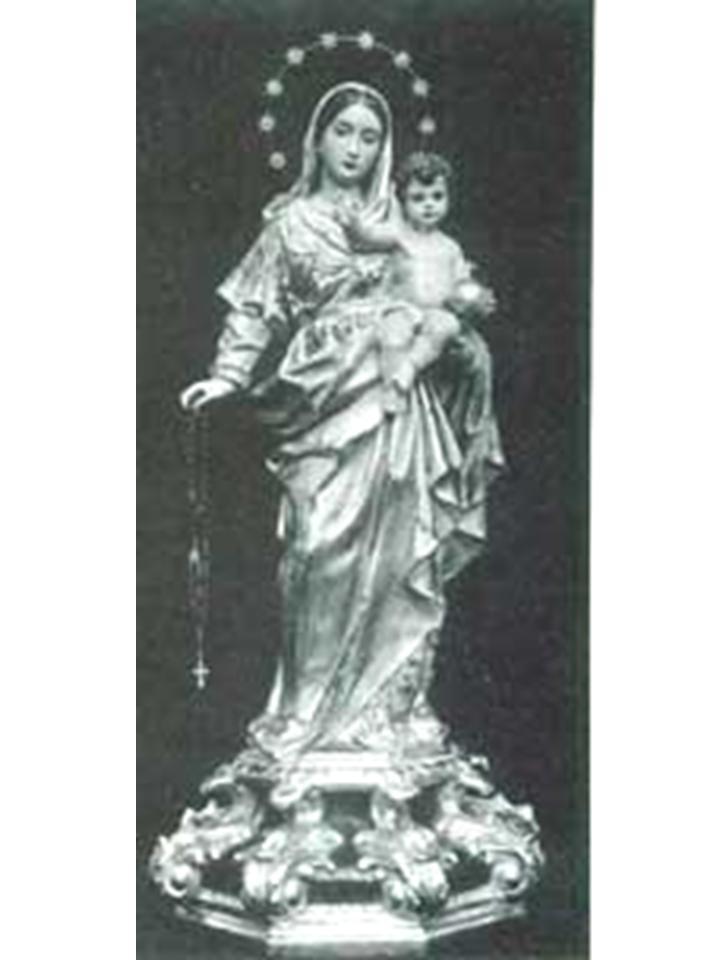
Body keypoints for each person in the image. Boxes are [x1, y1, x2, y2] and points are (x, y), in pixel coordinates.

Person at [180, 82, 505, 761]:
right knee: (316, 545)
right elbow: (254, 307)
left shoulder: (403, 216)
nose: (356, 148)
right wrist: (229, 375)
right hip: (321, 391)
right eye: (344, 132)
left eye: (370, 136)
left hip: (395, 389)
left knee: (404, 541)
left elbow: (449, 284)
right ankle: (305, 711)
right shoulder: (290, 223)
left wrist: (460, 320)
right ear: (317, 138)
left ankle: (392, 712)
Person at [334, 150, 497, 414]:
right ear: (402, 202)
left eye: (437, 197)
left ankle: (409, 369)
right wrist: (352, 224)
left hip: (437, 312)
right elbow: (367, 237)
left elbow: (463, 282)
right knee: (393, 334)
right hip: (403, 308)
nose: (429, 205)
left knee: (446, 326)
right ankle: (393, 389)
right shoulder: (399, 236)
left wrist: (472, 298)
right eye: (418, 198)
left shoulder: (450, 247)